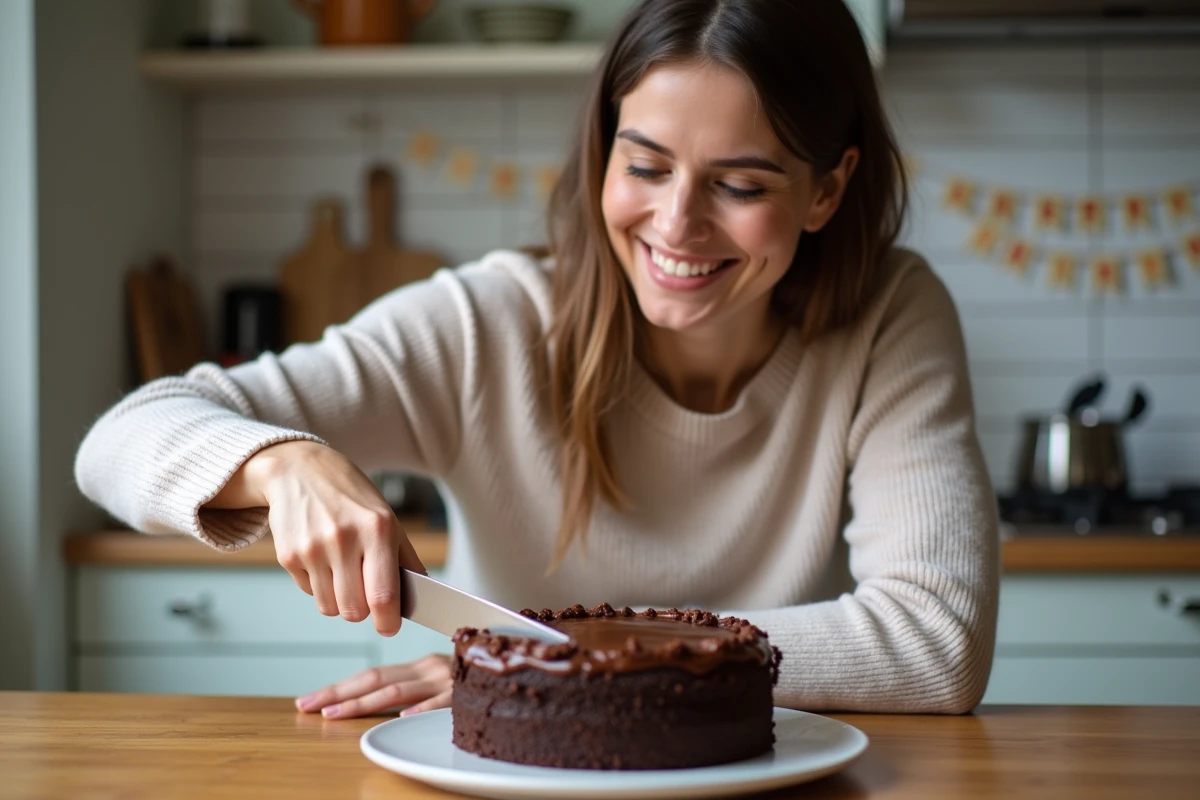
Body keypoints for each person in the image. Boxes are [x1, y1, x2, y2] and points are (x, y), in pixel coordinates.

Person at [75, 0, 998, 721]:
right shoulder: (490, 323)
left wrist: (558, 664)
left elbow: (936, 645)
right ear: (604, 154)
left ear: (828, 189)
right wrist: (282, 462)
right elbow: (119, 439)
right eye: (644, 167)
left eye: (741, 184)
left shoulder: (890, 313)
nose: (676, 225)